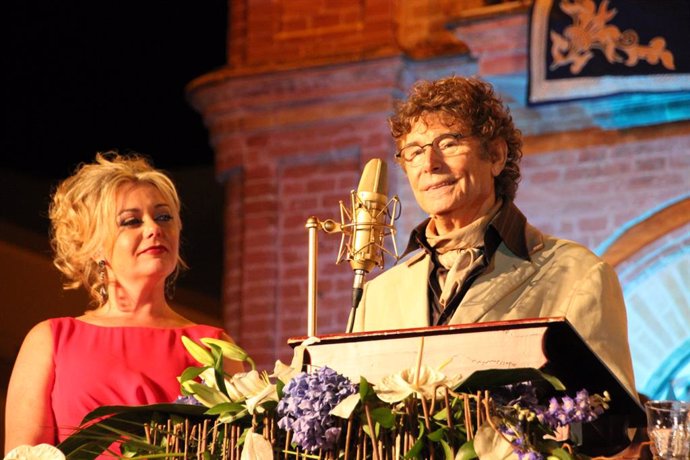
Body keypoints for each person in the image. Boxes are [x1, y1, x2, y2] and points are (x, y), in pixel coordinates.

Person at [350, 76, 637, 398]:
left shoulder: (578, 275)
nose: (429, 164)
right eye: (414, 151)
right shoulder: (377, 296)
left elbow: (607, 424)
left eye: (448, 143)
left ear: (497, 156)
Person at [4, 152, 244, 452]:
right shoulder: (51, 341)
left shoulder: (215, 347)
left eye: (163, 217)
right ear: (94, 245)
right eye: (131, 221)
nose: (154, 229)